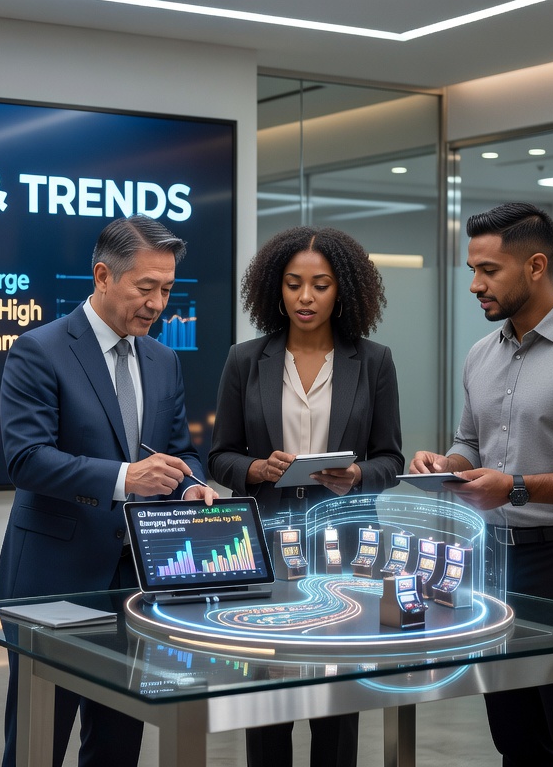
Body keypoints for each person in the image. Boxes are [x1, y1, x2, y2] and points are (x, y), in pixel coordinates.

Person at [409, 202, 553, 767]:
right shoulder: (480, 355)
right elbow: (471, 441)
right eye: (472, 269)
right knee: (512, 731)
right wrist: (446, 464)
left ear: (536, 266)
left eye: (488, 270)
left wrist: (515, 487)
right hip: (494, 562)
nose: (474, 285)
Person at [0, 214, 218, 767]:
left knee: (118, 742)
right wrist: (123, 479)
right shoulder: (40, 350)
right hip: (55, 577)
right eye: (146, 288)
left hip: (138, 578)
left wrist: (190, 484)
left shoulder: (163, 361)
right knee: (39, 741)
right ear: (102, 276)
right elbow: (26, 459)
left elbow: (180, 448)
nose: (158, 303)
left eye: (167, 289)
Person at [210, 226, 403, 767]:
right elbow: (219, 455)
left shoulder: (375, 361)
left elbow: (391, 459)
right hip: (266, 552)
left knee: (337, 703)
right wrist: (256, 468)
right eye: (294, 284)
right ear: (277, 289)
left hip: (347, 553)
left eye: (320, 285)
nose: (306, 297)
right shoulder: (245, 360)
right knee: (267, 700)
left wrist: (357, 475)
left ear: (343, 291)